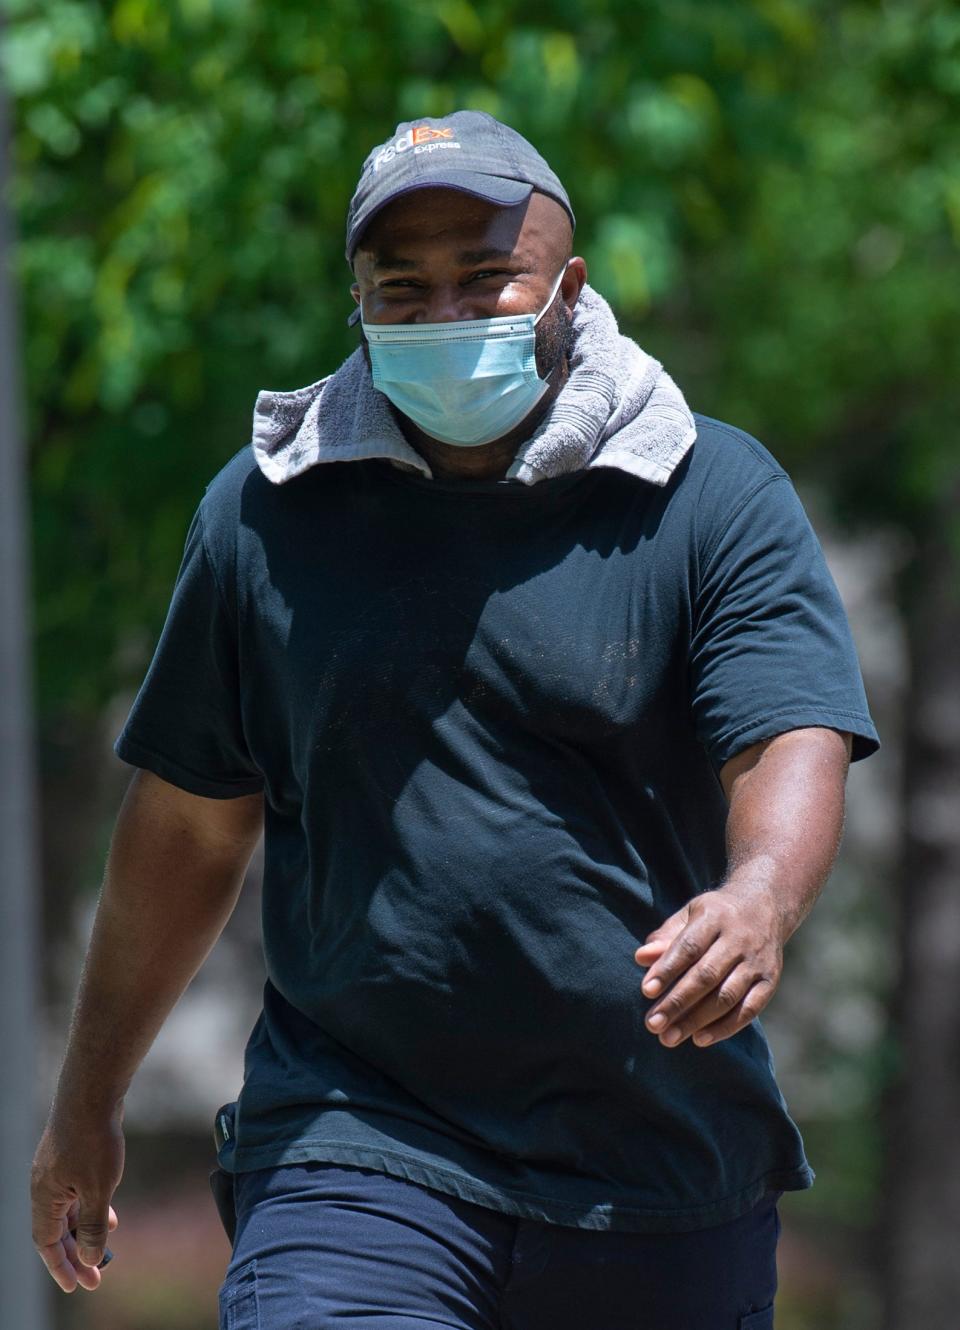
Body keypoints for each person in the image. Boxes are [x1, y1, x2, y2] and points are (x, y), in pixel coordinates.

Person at [31, 110, 879, 1329]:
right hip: (356, 1138)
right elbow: (187, 833)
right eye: (404, 289)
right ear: (358, 303)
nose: (444, 320)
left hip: (657, 1161)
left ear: (567, 287)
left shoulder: (704, 491)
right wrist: (85, 1105)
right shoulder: (270, 514)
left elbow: (787, 730)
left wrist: (759, 899)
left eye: (486, 281)